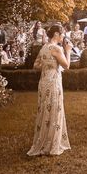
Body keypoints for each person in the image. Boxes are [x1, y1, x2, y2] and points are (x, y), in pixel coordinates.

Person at [27, 24, 71, 156]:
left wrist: (47, 65)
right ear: (56, 34)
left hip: (43, 81)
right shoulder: (56, 48)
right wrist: (68, 50)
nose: (63, 36)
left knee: (45, 110)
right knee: (54, 110)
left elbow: (36, 65)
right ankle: (51, 144)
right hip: (53, 83)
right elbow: (67, 65)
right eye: (62, 34)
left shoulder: (44, 47)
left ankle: (44, 140)